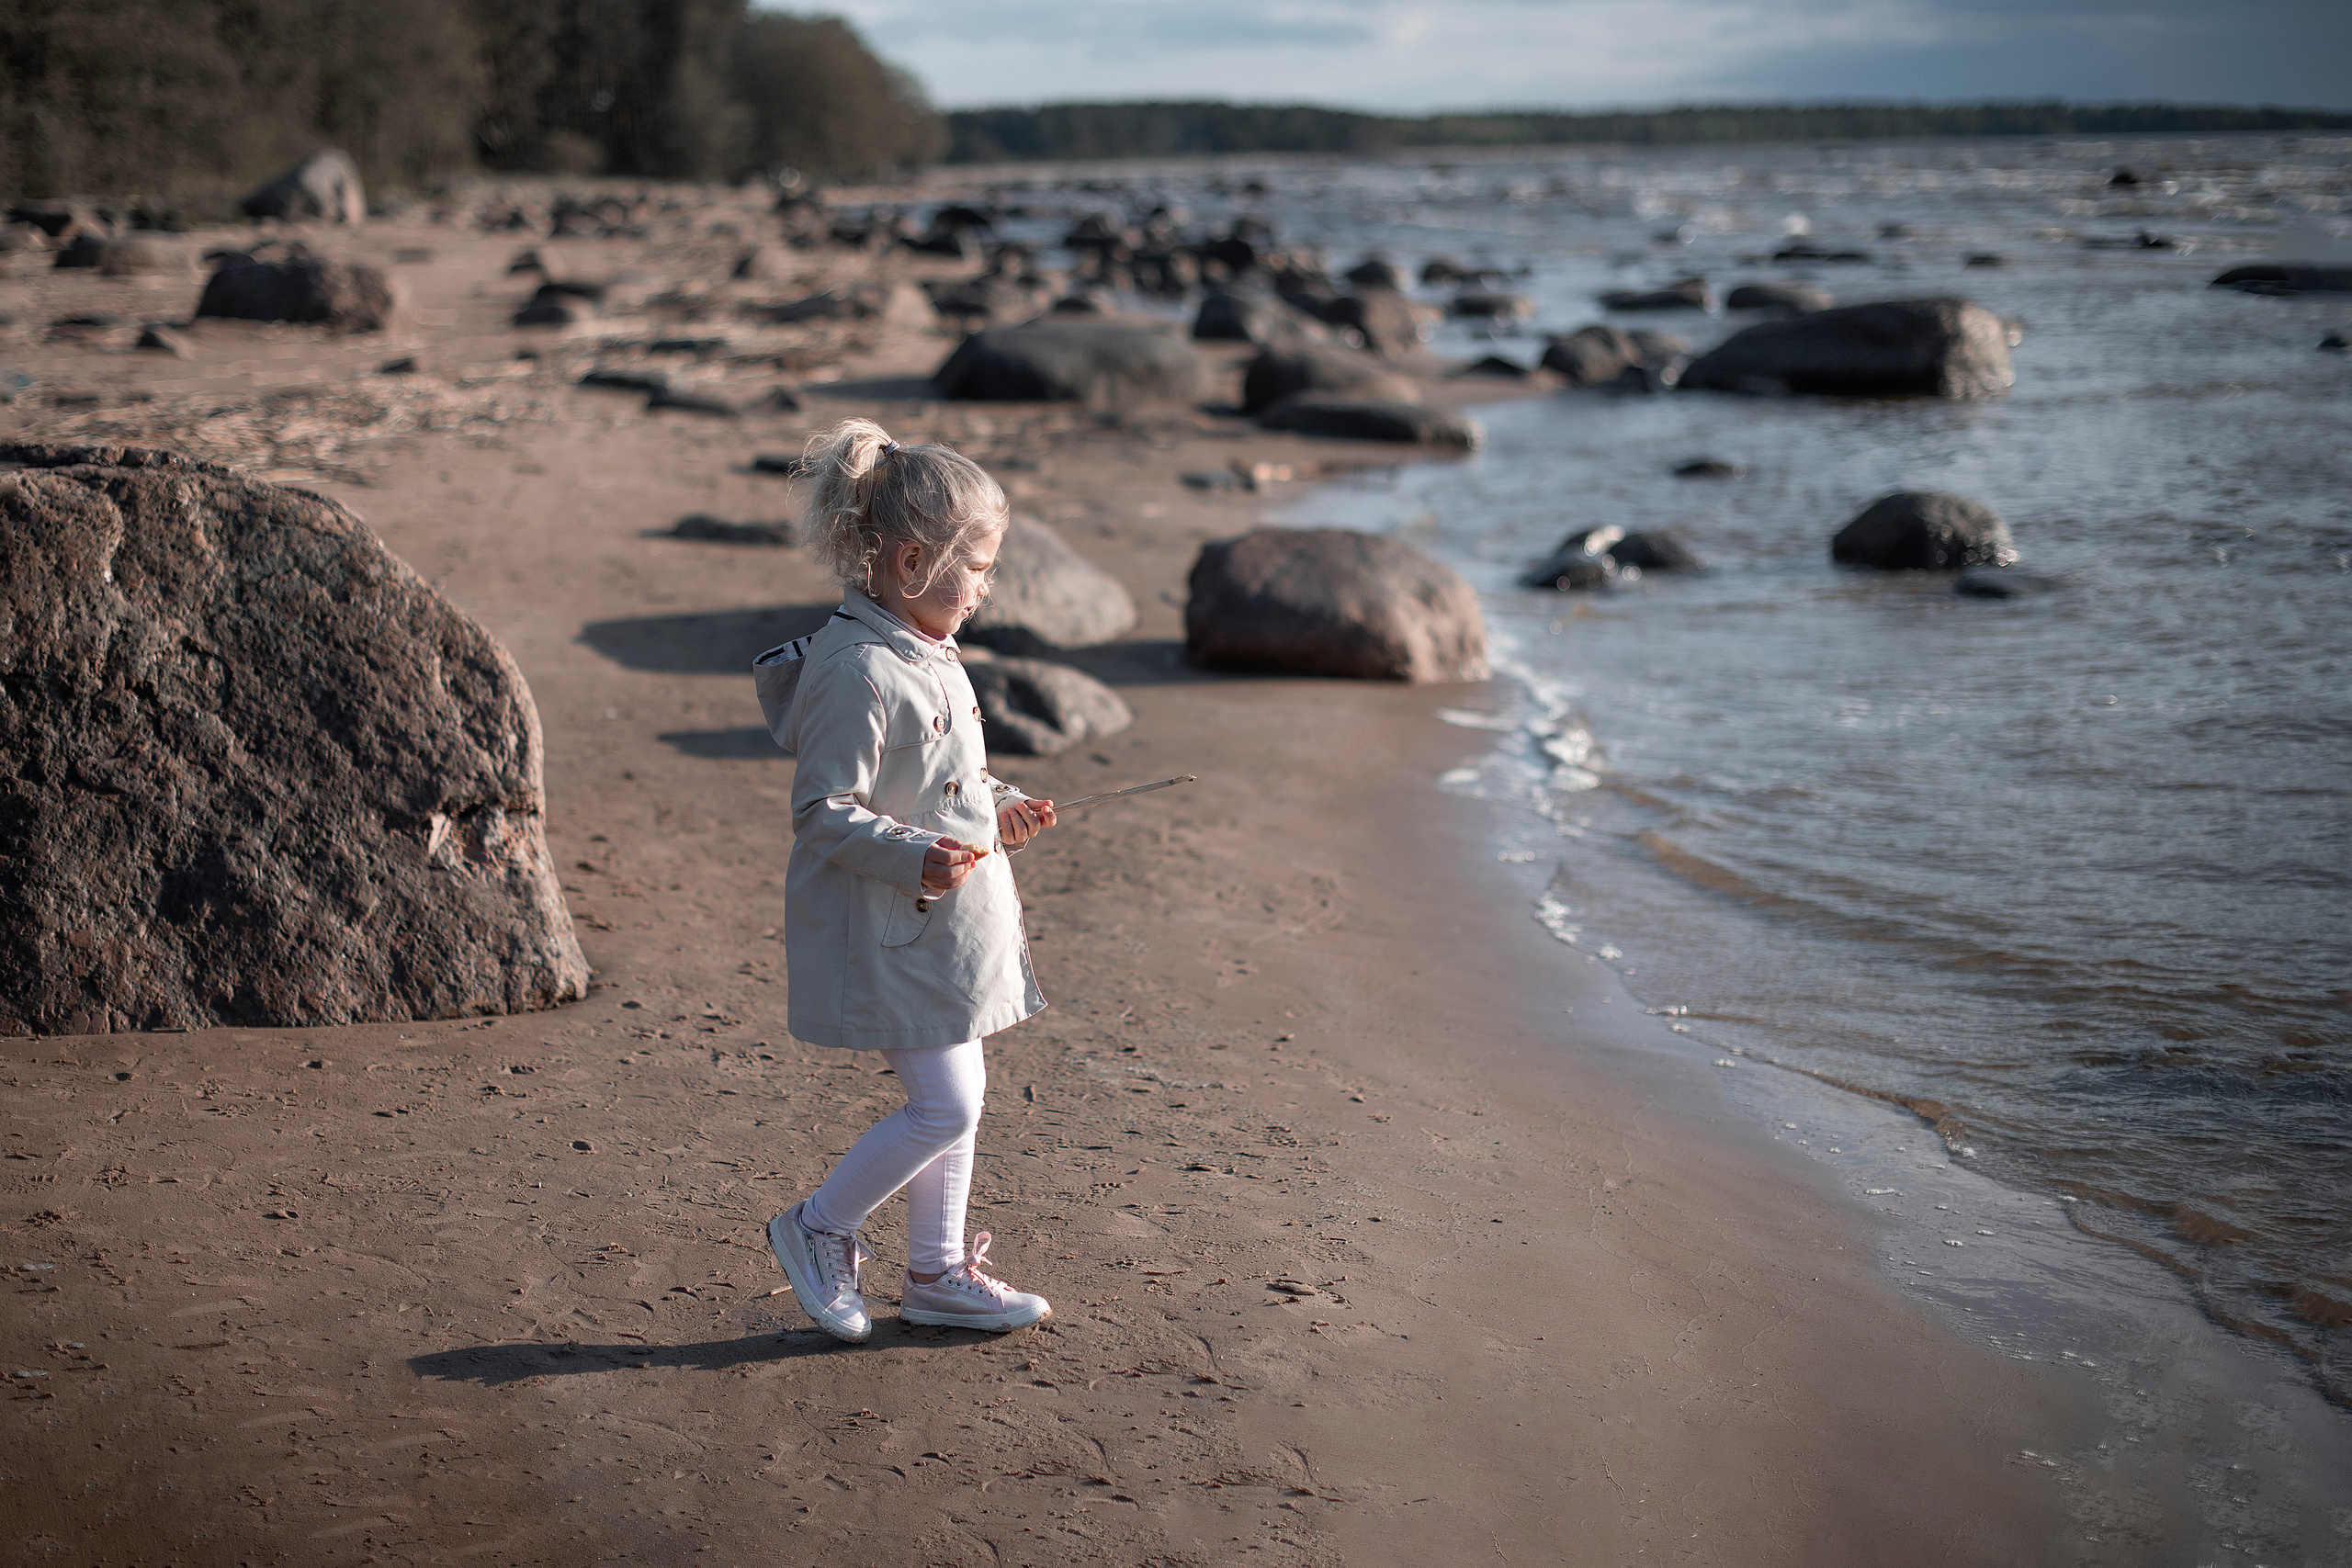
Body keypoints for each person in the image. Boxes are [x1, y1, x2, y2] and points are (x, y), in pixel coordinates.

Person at [748, 417, 1057, 1342]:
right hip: (890, 922)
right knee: (945, 1102)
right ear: (914, 558)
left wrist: (996, 811)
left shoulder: (927, 649)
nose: (986, 589)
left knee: (959, 1097)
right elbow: (823, 808)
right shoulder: (859, 669)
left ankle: (936, 1273)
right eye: (979, 568)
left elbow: (938, 784)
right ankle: (816, 1228)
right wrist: (911, 852)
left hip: (938, 922)